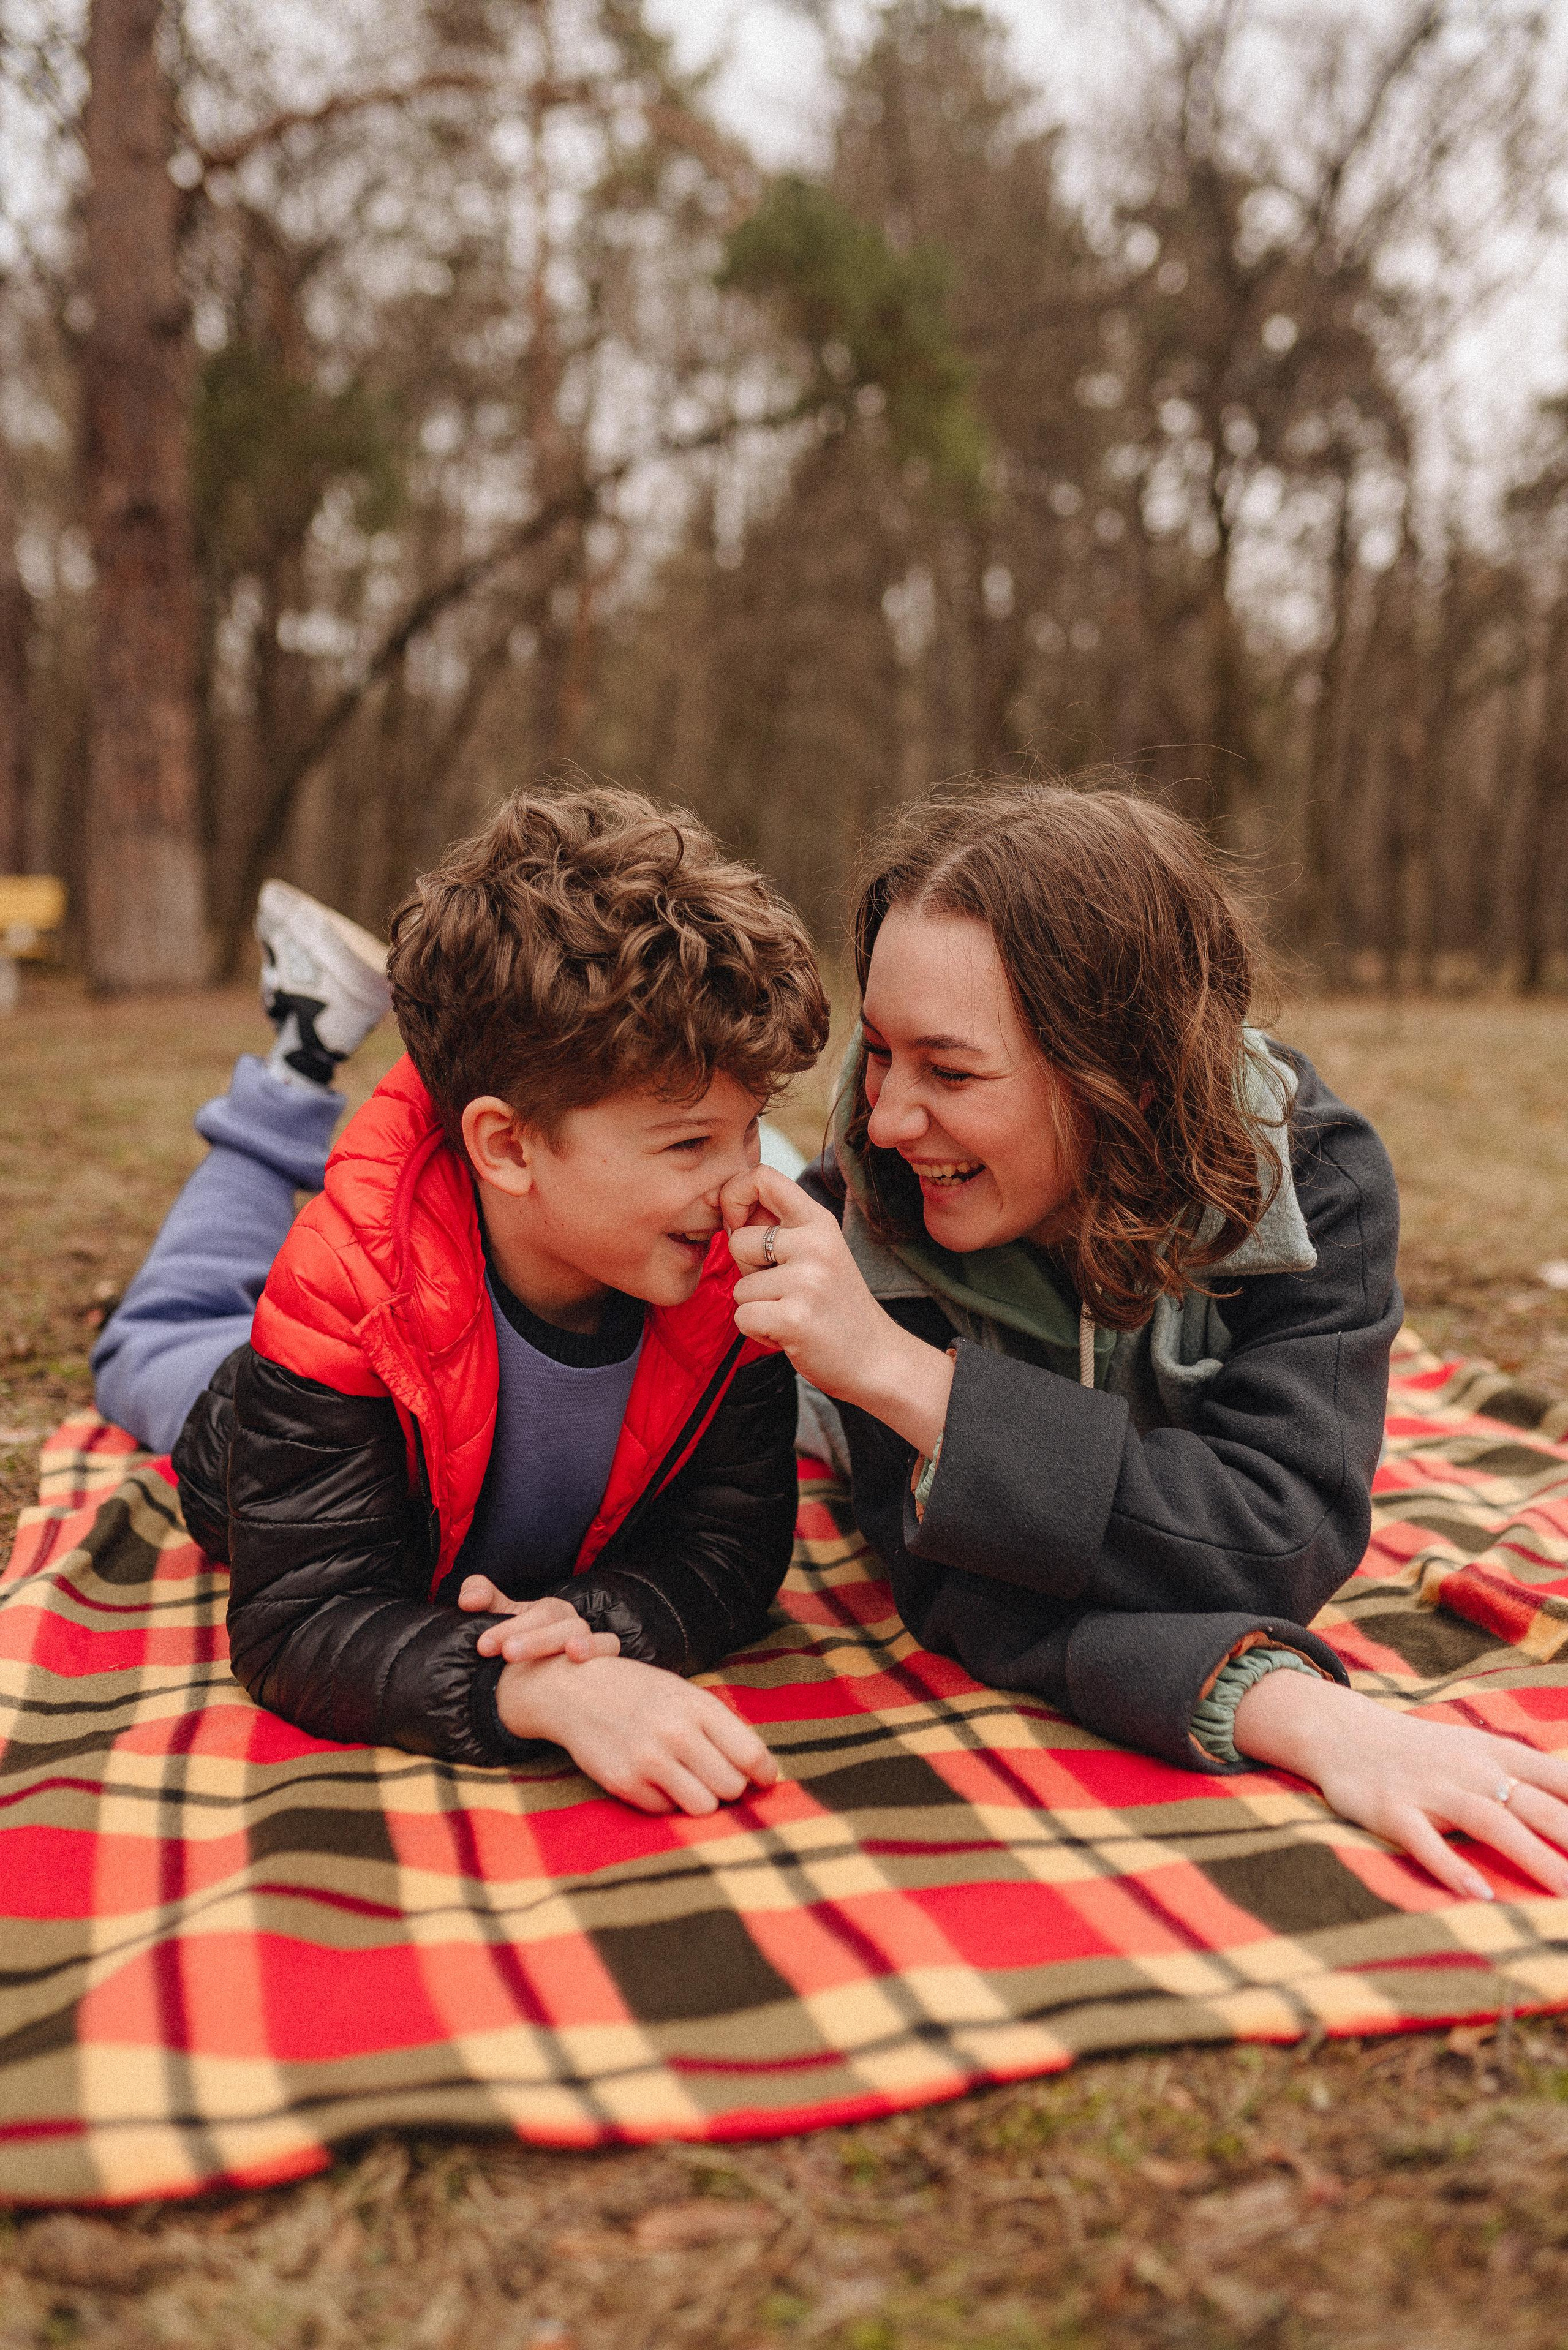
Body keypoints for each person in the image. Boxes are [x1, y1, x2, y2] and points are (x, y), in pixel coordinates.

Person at [718, 777, 1568, 1902]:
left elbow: (1276, 1540)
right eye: (879, 1051)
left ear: (1125, 1075)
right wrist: (1295, 1713)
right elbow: (962, 1593)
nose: (887, 1116)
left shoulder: (1315, 1184)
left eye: (951, 1069)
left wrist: (909, 1379)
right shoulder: (865, 1198)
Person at [92, 786, 829, 1815]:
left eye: (750, 1131)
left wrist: (589, 1621)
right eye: (689, 1143)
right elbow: (303, 1621)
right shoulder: (350, 1293)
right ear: (507, 1144)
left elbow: (729, 1547)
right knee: (160, 1336)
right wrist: (529, 1686)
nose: (743, 1182)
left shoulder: (726, 1276)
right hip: (250, 1429)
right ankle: (299, 1058)